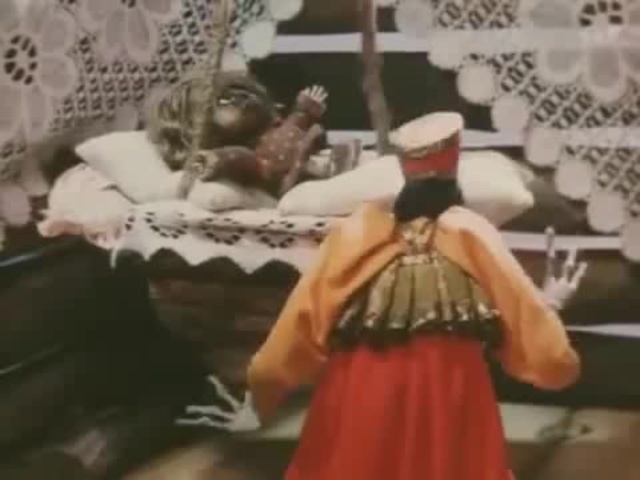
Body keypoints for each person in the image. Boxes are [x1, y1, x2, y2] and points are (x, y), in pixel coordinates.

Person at [187, 112, 588, 480]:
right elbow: (532, 331)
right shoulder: (470, 234)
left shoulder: (356, 236)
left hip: (362, 404)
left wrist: (262, 393)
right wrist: (552, 304)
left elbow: (298, 328)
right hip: (448, 400)